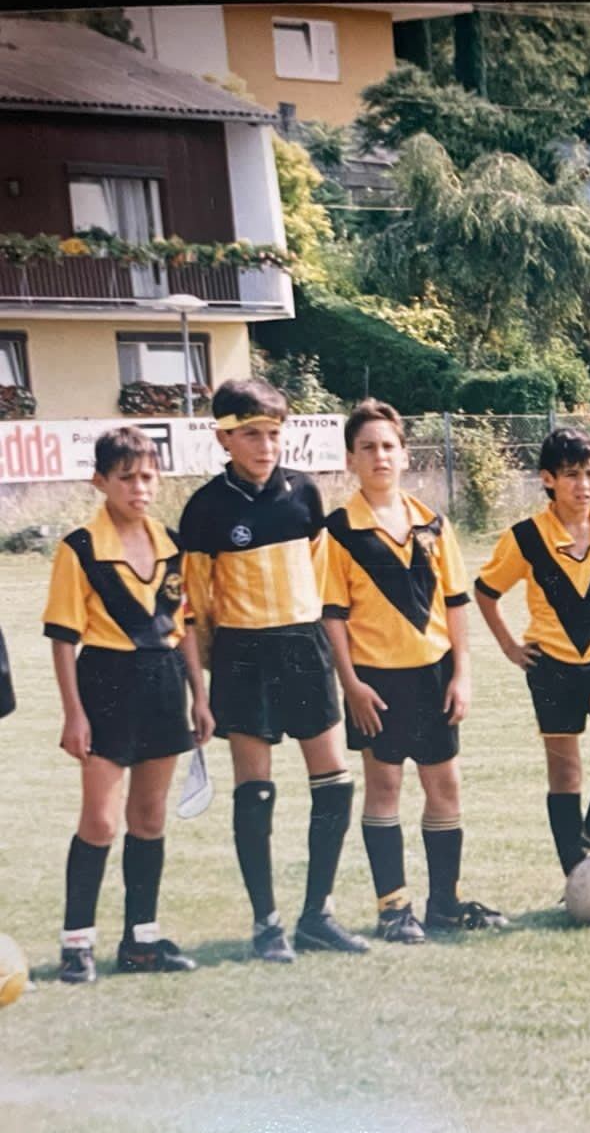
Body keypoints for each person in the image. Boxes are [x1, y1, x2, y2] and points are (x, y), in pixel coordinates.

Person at [181, 379, 367, 961]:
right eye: (251, 435)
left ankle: (317, 915)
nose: (265, 446)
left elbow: (319, 578)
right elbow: (195, 606)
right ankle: (266, 924)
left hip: (304, 646)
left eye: (272, 434)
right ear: (224, 438)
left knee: (334, 780)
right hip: (242, 654)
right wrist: (204, 682)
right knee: (255, 788)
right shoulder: (205, 509)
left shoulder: (304, 494)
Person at [322, 400, 507, 942]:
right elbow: (332, 616)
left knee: (444, 785)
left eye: (388, 446)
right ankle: (393, 908)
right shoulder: (338, 531)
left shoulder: (432, 523)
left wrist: (462, 674)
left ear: (405, 455)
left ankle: (444, 903)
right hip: (374, 682)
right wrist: (351, 684)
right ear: (350, 460)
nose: (379, 456)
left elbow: (456, 603)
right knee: (384, 786)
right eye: (367, 448)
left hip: (434, 675)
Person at [45, 427, 214, 983]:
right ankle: (77, 943)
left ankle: (141, 940)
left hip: (164, 684)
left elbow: (184, 626)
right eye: (126, 478)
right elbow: (63, 638)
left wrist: (199, 696)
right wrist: (74, 713)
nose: (139, 488)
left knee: (148, 816)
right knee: (99, 819)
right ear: (100, 482)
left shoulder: (173, 546)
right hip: (106, 683)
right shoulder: (80, 549)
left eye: (147, 477)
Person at [475, 427, 590, 875]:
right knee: (565, 773)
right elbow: (485, 592)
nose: (584, 485)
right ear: (548, 479)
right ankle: (575, 876)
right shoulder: (526, 537)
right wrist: (509, 646)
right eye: (572, 475)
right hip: (552, 667)